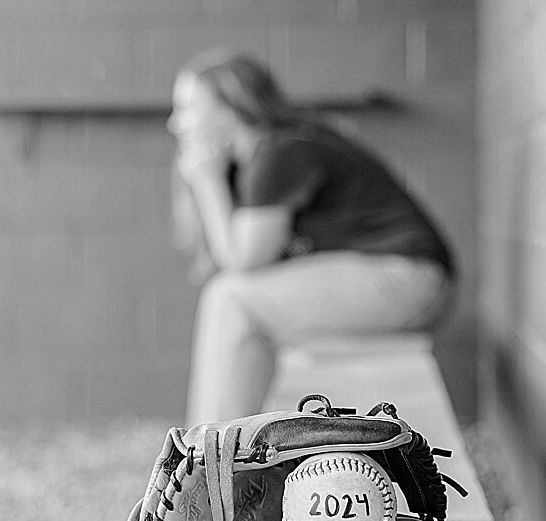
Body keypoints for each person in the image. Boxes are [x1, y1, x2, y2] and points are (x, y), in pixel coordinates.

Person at [168, 50, 454, 426]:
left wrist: (206, 182)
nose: (176, 124)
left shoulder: (281, 150)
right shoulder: (268, 154)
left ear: (227, 109)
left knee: (230, 300)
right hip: (397, 281)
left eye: (188, 108)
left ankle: (207, 466)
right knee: (234, 300)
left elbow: (243, 258)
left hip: (408, 279)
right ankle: (233, 456)